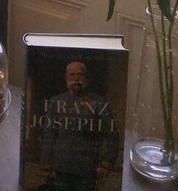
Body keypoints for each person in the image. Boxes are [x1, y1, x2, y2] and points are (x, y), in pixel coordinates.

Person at [39, 61, 118, 191]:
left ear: (86, 78)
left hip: (88, 168)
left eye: (80, 75)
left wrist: (106, 164)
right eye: (72, 75)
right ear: (66, 78)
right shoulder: (56, 101)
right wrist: (45, 161)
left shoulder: (99, 103)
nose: (76, 78)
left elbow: (112, 135)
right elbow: (49, 134)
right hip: (61, 166)